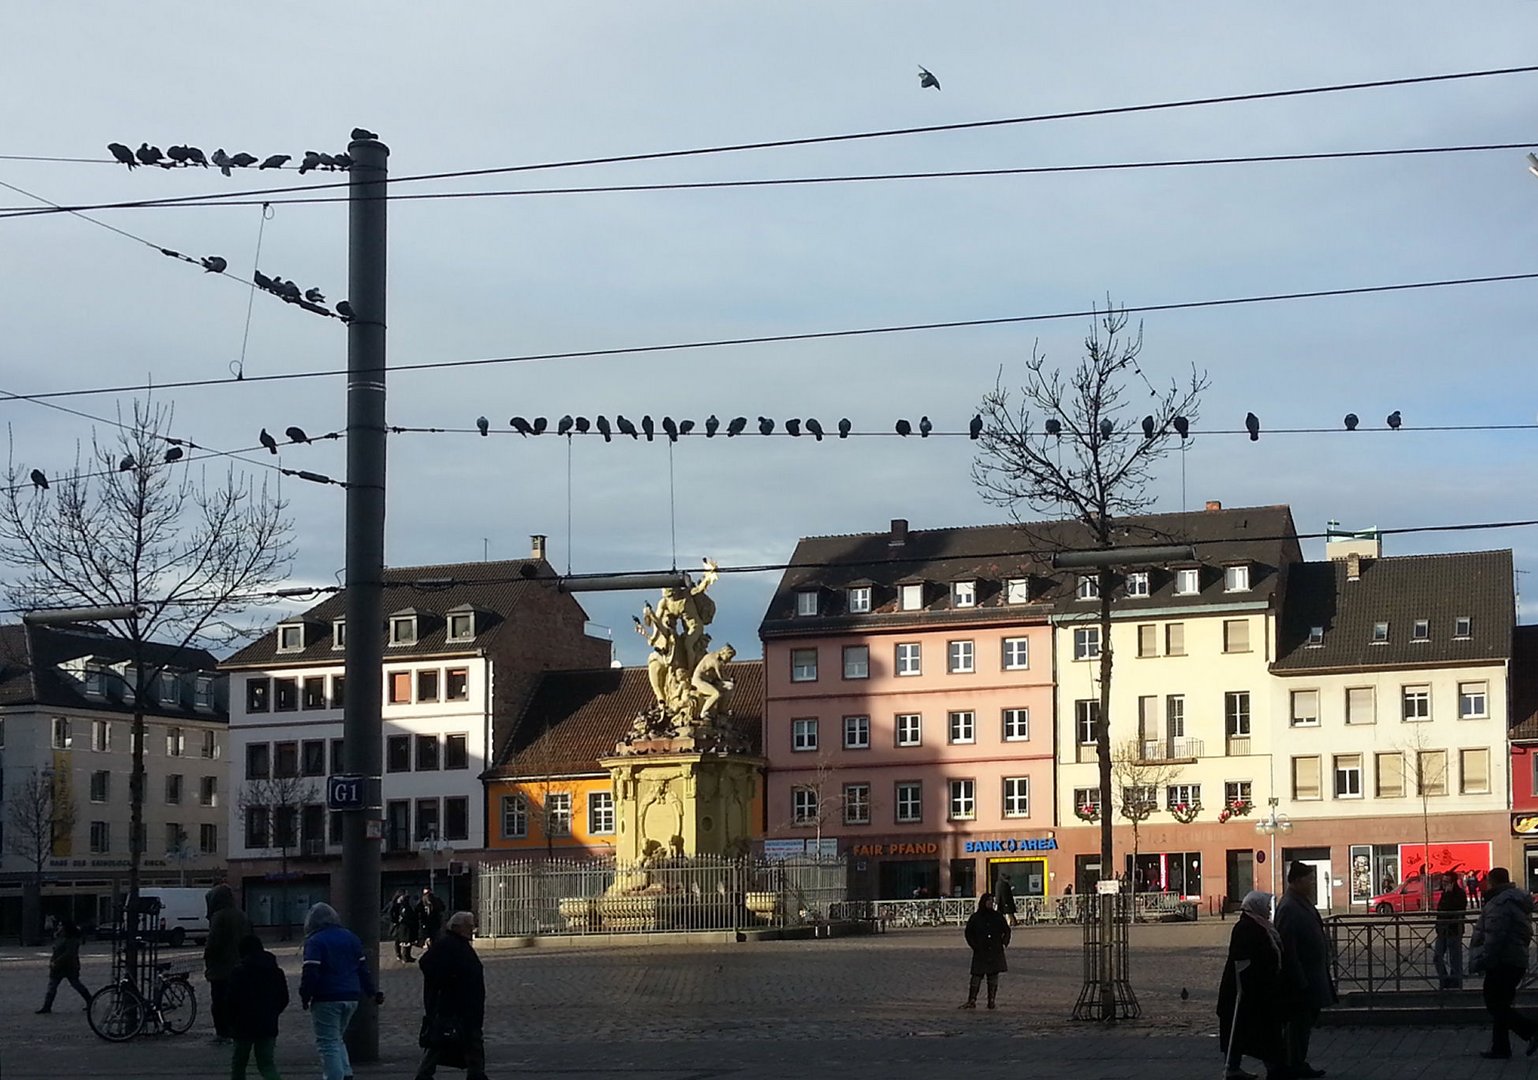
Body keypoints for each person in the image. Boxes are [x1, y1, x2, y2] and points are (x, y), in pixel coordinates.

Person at [299, 903, 383, 1080]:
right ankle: (346, 1072)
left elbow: (311, 972)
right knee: (337, 1037)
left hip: (326, 996)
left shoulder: (315, 941)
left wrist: (305, 995)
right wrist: (371, 992)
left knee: (327, 1042)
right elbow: (363, 969)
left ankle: (335, 1076)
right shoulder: (350, 937)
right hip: (351, 995)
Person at [1217, 891, 1288, 1080]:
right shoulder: (1246, 927)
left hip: (1258, 988)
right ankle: (1239, 1067)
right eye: (1264, 906)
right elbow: (1242, 958)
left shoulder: (1261, 925)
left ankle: (1268, 1066)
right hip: (1246, 989)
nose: (1267, 910)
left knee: (1257, 1030)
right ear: (1255, 906)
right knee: (1251, 1029)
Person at [1468, 867, 1538, 1059]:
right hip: (1515, 957)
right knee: (1502, 1002)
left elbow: (1495, 936)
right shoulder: (1514, 899)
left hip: (1503, 959)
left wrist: (1483, 959)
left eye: (1488, 882)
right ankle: (1501, 1047)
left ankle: (1531, 1030)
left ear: (1493, 882)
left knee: (1494, 1002)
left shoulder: (1499, 903)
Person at [1275, 861, 1334, 1080]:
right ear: (1298, 881)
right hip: (1302, 979)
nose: (1312, 883)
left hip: (1312, 975)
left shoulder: (1301, 902)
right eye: (1309, 879)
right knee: (1298, 1025)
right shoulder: (1289, 906)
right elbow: (1287, 947)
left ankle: (1297, 1061)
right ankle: (1293, 1064)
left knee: (1305, 1023)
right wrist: (1298, 978)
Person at [415, 911, 488, 1080]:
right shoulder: (448, 944)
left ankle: (476, 1074)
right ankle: (424, 1074)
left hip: (466, 1003)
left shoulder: (458, 944)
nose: (472, 929)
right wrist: (447, 981)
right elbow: (427, 964)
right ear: (457, 927)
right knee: (443, 1040)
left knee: (471, 1039)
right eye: (469, 926)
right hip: (453, 1003)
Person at [228, 934, 289, 1080]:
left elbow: (230, 1000)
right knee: (267, 1064)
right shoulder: (276, 972)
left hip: (242, 1025)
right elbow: (284, 999)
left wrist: (231, 1021)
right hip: (268, 1023)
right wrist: (273, 1012)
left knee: (239, 1064)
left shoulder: (238, 973)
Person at [205, 883, 252, 1044]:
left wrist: (208, 959)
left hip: (221, 968)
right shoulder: (242, 915)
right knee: (236, 1000)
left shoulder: (219, 916)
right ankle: (237, 1029)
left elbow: (213, 943)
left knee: (219, 1001)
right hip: (240, 965)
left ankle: (223, 1033)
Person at [959, 893, 1011, 1010]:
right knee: (976, 976)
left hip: (995, 949)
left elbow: (1006, 930)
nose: (990, 903)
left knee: (993, 977)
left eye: (992, 901)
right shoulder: (976, 917)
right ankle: (972, 1000)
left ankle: (991, 1000)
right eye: (988, 901)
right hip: (980, 950)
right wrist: (974, 945)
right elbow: (969, 933)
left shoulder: (997, 916)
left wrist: (1004, 941)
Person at [35, 919, 90, 1014]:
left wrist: (56, 961)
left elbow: (69, 953)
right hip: (58, 967)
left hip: (69, 966)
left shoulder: (71, 939)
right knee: (52, 986)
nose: (59, 927)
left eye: (61, 925)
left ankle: (89, 1000)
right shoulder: (60, 937)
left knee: (76, 984)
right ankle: (47, 1006)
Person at [1435, 871, 1468, 990]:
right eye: (1442, 881)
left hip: (1454, 930)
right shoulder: (1445, 892)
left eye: (1446, 882)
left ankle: (1455, 983)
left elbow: (1452, 908)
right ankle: (1445, 981)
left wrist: (1448, 895)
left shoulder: (1459, 894)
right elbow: (1440, 910)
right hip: (1442, 930)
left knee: (1455, 959)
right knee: (1437, 957)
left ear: (1453, 883)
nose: (1443, 884)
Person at [391, 889, 421, 964]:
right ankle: (403, 956)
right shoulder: (398, 905)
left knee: (405, 940)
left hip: (402, 925)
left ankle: (406, 956)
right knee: (402, 941)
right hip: (401, 925)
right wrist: (395, 921)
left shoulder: (403, 905)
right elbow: (393, 913)